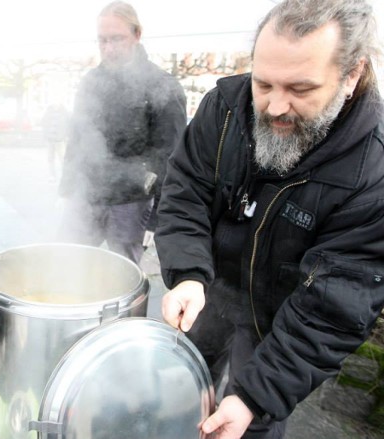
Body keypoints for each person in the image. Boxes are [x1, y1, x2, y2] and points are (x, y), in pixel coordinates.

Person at [154, 0, 384, 438]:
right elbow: (185, 191)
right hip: (207, 294)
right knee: (179, 394)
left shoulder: (372, 173)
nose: (276, 107)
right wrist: (187, 273)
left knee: (247, 423)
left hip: (277, 328)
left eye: (300, 89)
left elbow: (335, 308)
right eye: (264, 84)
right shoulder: (223, 108)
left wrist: (256, 396)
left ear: (351, 75)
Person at [58, 0, 186, 264]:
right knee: (68, 262)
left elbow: (170, 156)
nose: (109, 48)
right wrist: (67, 190)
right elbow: (77, 138)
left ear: (137, 35)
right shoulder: (90, 81)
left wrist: (157, 218)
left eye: (117, 39)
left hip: (131, 200)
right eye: (102, 41)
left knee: (123, 271)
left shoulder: (162, 86)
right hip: (87, 194)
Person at [41, 103, 70, 183]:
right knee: (50, 159)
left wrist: (65, 136)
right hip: (50, 139)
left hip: (60, 140)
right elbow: (44, 123)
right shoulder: (48, 111)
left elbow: (68, 125)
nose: (55, 103)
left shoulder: (64, 112)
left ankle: (65, 176)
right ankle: (52, 175)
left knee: (62, 159)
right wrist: (45, 136)